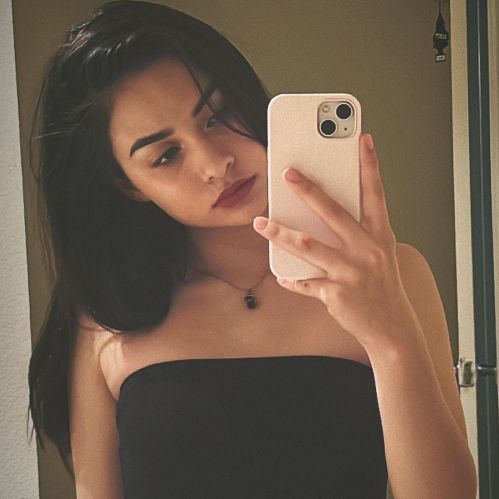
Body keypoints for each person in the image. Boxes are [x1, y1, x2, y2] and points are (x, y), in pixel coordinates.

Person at [27, 1, 477, 498]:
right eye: (166, 155)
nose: (213, 163)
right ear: (129, 185)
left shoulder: (394, 275)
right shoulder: (103, 317)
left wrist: (389, 336)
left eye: (217, 116)